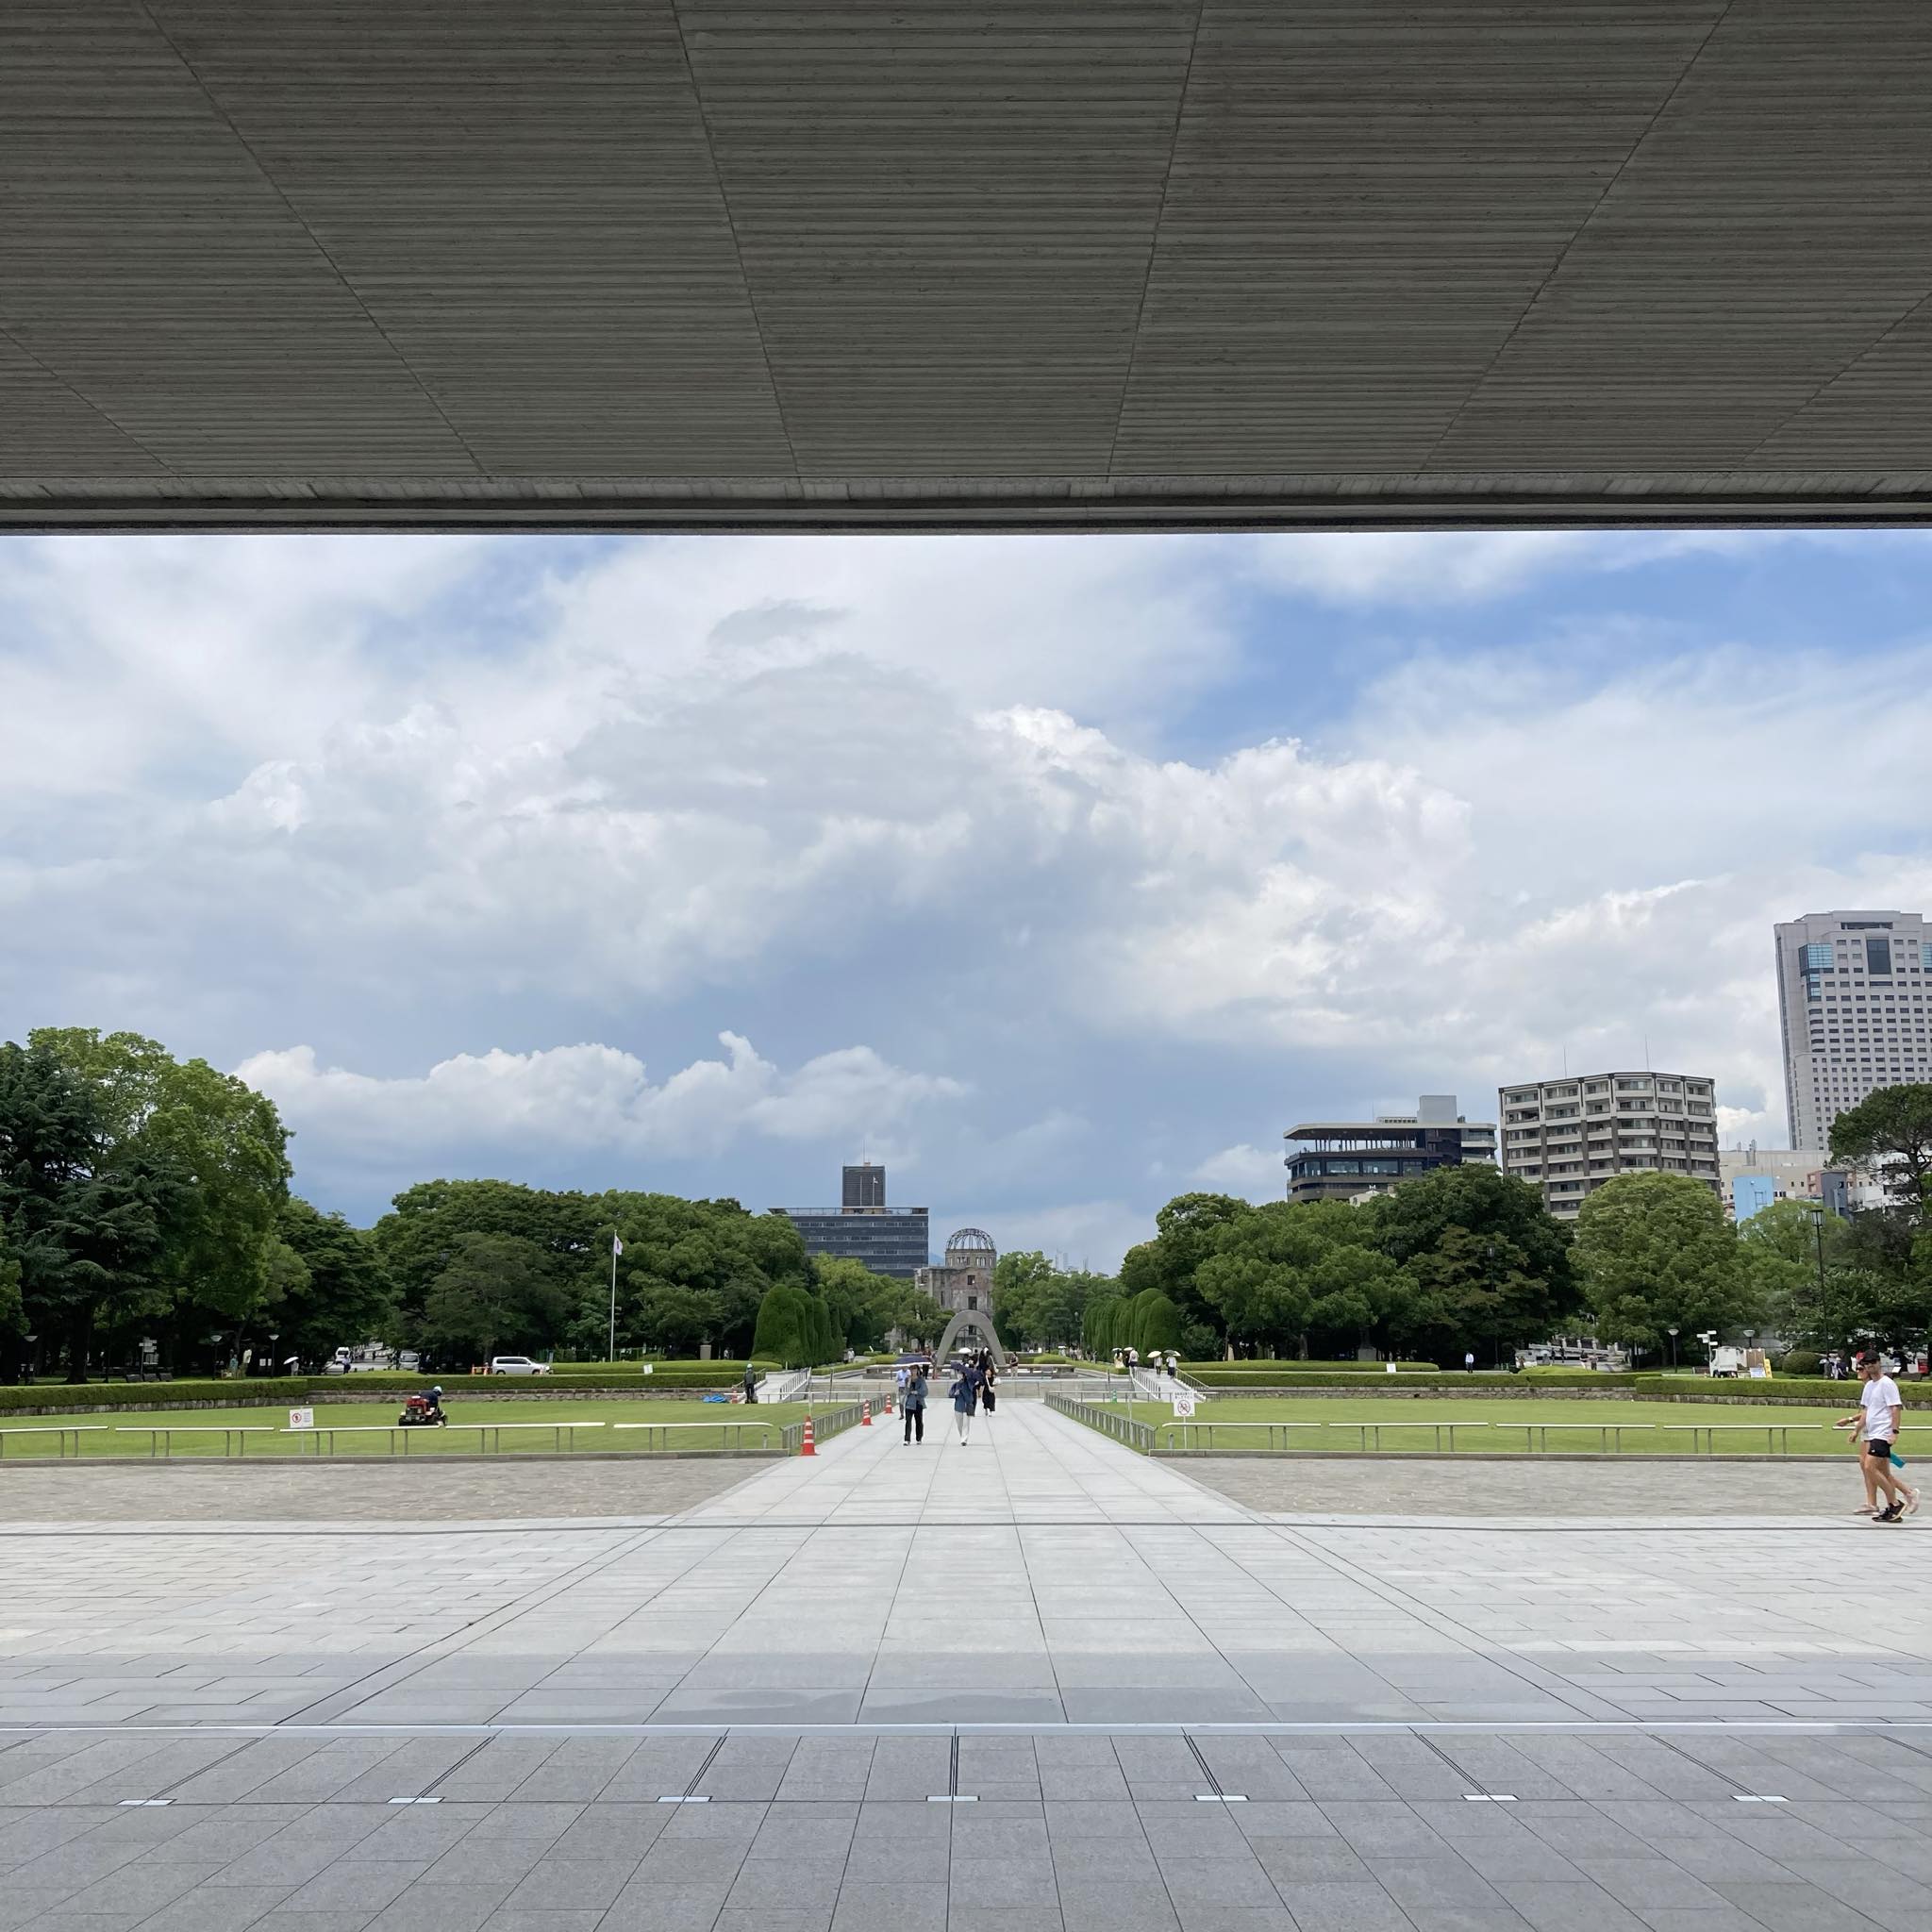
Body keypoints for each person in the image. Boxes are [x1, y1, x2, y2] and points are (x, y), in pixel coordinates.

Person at [1839, 1355, 1920, 1522]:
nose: (1868, 1367)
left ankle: (1895, 1503)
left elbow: (1895, 1409)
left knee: (1869, 1467)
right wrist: (1855, 1429)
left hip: (1882, 1433)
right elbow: (1867, 1411)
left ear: (1878, 1363)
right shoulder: (1869, 1386)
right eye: (1864, 1365)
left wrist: (1894, 1432)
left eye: (1871, 1363)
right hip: (1872, 1431)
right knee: (1879, 1470)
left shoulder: (1887, 1384)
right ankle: (1896, 1504)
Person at [949, 1355, 981, 1446]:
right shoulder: (956, 1384)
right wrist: (955, 1394)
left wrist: (963, 1390)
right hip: (958, 1407)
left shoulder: (968, 1384)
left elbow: (970, 1395)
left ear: (963, 1375)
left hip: (966, 1406)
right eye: (958, 1373)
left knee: (966, 1424)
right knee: (959, 1424)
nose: (959, 1375)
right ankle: (962, 1436)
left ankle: (964, 1439)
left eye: (960, 1374)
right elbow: (950, 1394)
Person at [902, 1363, 926, 1445]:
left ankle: (919, 1438)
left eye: (915, 1369)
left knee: (919, 1421)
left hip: (918, 1403)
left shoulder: (921, 1379)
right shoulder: (907, 1379)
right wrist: (909, 1382)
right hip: (909, 1404)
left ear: (917, 1370)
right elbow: (907, 1392)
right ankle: (907, 1439)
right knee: (908, 1421)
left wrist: (917, 1392)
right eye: (912, 1369)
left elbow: (925, 1391)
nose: (913, 1371)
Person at [978, 1350, 997, 1433]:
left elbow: (995, 1383)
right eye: (987, 1371)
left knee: (991, 1401)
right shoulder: (984, 1377)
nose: (988, 1372)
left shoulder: (993, 1377)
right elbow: (981, 1384)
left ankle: (990, 1411)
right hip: (986, 1391)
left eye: (989, 1371)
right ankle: (986, 1409)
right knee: (986, 1401)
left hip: (991, 1392)